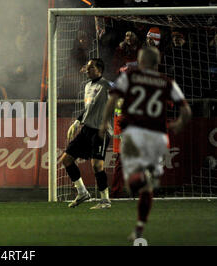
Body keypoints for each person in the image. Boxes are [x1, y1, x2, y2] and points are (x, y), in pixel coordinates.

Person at [99, 46, 192, 240]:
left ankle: (141, 179)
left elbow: (112, 99)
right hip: (159, 137)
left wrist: (104, 122)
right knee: (146, 187)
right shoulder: (167, 82)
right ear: (157, 63)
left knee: (134, 184)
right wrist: (179, 124)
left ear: (141, 61)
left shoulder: (130, 76)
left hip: (136, 134)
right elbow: (186, 110)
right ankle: (140, 226)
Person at [60, 58, 112, 209]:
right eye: (87, 68)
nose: (87, 70)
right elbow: (88, 109)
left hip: (100, 131)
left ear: (99, 70)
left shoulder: (106, 85)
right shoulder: (87, 86)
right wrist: (77, 122)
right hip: (86, 129)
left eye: (91, 68)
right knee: (66, 160)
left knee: (97, 165)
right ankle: (82, 192)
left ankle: (105, 200)